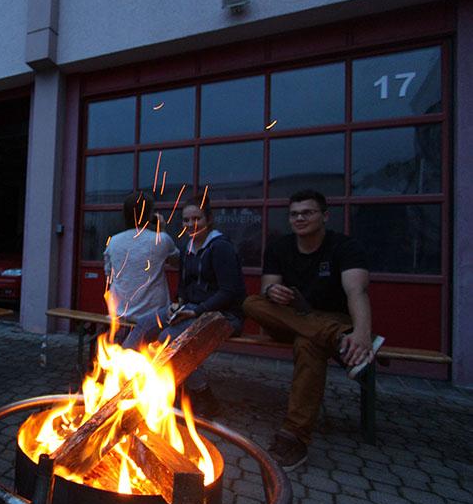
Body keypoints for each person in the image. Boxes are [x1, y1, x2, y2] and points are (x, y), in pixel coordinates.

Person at [243, 189, 384, 471]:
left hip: (330, 317)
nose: (299, 218)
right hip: (292, 317)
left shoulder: (345, 247)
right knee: (251, 303)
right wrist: (274, 292)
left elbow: (357, 291)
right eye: (294, 214)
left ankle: (294, 437)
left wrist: (362, 334)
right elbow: (265, 292)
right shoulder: (279, 248)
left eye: (307, 212)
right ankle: (337, 340)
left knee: (308, 345)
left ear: (325, 216)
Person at [122, 197, 246, 416]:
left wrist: (197, 310)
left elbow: (229, 292)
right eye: (186, 220)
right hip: (192, 309)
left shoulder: (220, 247)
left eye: (196, 218)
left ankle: (203, 396)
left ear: (209, 219)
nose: (191, 224)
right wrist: (177, 304)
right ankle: (122, 382)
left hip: (222, 316)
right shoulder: (187, 247)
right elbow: (183, 286)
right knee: (143, 325)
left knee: (167, 339)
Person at [104, 191, 179, 322]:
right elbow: (177, 262)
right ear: (151, 215)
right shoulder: (161, 239)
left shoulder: (113, 241)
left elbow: (108, 274)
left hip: (118, 314)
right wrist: (161, 230)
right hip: (153, 316)